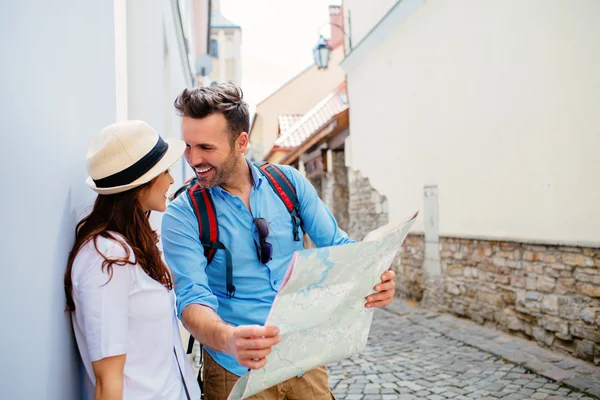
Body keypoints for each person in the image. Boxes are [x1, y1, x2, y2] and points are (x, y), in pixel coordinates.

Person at [161, 83, 397, 400]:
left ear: (241, 142)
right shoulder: (183, 214)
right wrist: (229, 339)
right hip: (235, 370)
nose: (193, 158)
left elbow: (338, 245)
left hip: (303, 359)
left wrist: (374, 277)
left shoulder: (288, 183)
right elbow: (192, 301)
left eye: (206, 147)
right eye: (188, 146)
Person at [64, 120, 201, 400]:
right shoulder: (105, 260)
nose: (172, 180)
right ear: (140, 185)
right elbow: (108, 381)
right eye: (165, 172)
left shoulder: (131, 246)